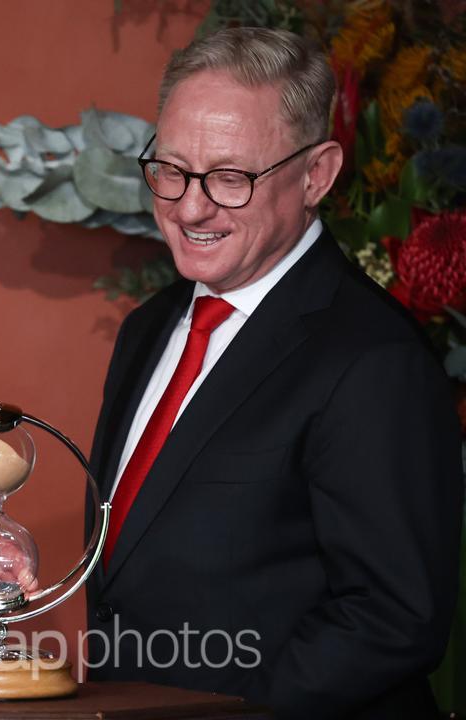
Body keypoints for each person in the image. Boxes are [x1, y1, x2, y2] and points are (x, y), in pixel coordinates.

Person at [84, 26, 462, 718]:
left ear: (316, 174)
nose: (190, 207)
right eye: (171, 169)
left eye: (230, 178)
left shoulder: (374, 359)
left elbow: (393, 616)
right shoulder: (147, 329)